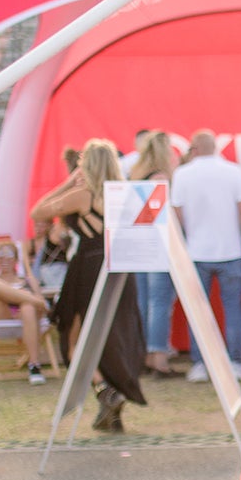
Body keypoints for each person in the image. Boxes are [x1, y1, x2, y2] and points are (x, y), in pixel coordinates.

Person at [31, 138, 146, 432]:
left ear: (88, 165)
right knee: (112, 333)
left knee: (75, 335)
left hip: (89, 266)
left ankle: (105, 390)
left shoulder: (84, 194)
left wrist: (67, 183)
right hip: (120, 265)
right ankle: (110, 397)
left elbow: (38, 212)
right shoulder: (124, 194)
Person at [170, 129, 241, 383]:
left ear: (194, 149)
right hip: (230, 251)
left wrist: (184, 242)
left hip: (196, 253)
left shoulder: (182, 174)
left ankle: (200, 363)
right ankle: (235, 361)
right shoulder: (232, 172)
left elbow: (177, 213)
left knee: (199, 311)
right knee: (233, 308)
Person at [128, 130, 182, 378]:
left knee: (144, 302)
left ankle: (144, 355)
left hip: (139, 245)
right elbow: (166, 215)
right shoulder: (161, 178)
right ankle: (159, 357)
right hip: (159, 245)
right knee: (160, 302)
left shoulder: (134, 175)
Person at [0, 240, 50, 385]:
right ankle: (33, 301)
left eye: (9, 255)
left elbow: (38, 311)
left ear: (16, 260)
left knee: (28, 307)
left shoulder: (28, 280)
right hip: (0, 315)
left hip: (25, 317)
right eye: (0, 256)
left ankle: (34, 366)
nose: (4, 259)